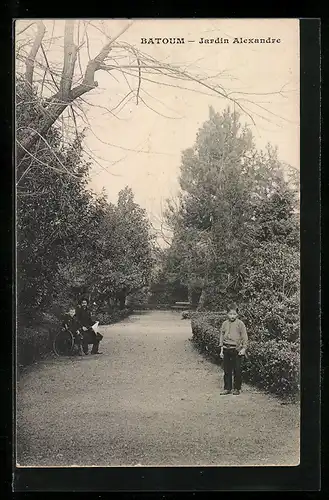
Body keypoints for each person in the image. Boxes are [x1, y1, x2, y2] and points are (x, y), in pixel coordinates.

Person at [219, 303, 248, 395]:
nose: (232, 316)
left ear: (237, 314)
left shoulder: (240, 324)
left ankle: (237, 388)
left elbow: (244, 337)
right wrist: (221, 350)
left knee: (237, 369)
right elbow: (222, 335)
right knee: (227, 370)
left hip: (237, 350)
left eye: (234, 314)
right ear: (227, 314)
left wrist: (244, 348)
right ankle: (227, 388)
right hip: (226, 349)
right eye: (230, 314)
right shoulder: (224, 324)